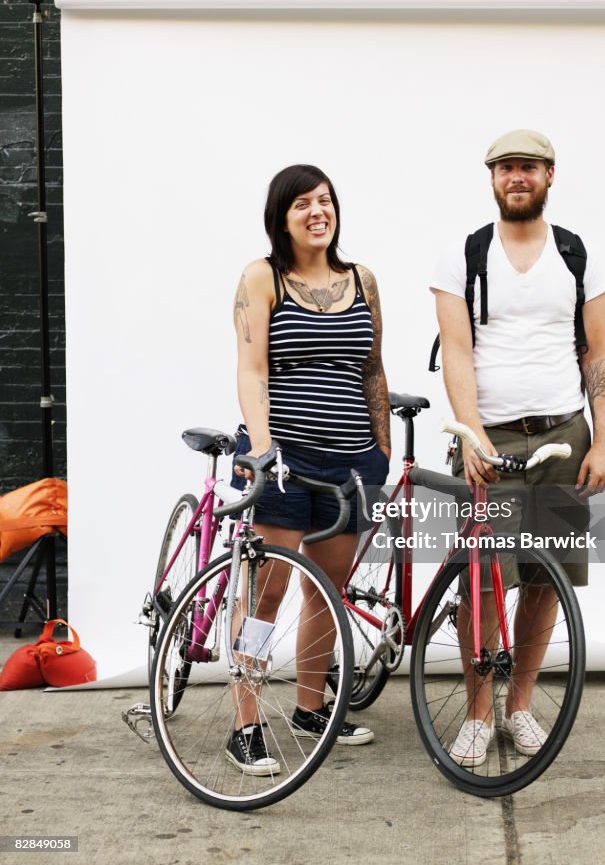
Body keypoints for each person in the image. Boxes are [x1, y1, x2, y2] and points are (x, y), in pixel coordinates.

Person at [430, 128, 605, 769]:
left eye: (529, 167)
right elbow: (456, 350)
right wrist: (471, 432)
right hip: (494, 438)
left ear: (550, 176)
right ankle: (478, 717)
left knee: (546, 580)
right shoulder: (464, 254)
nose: (517, 176)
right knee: (484, 582)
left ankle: (520, 708)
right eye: (506, 167)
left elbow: (599, 353)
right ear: (491, 178)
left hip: (566, 436)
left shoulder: (577, 253)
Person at [228, 163, 390, 775]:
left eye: (325, 201)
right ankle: (245, 721)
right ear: (282, 217)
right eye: (303, 204)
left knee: (327, 589)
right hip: (286, 458)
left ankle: (310, 707)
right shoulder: (261, 277)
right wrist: (264, 451)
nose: (317, 212)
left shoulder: (362, 279)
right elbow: (251, 370)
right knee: (265, 590)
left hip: (350, 463)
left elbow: (372, 367)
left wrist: (380, 449)